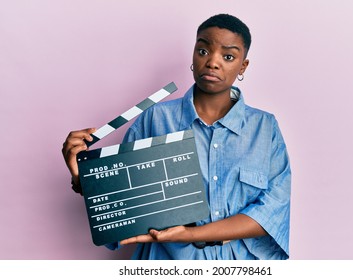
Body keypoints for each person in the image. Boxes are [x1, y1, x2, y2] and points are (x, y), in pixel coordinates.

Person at [62, 14, 291, 260]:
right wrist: (82, 177)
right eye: (203, 51)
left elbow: (271, 212)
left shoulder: (265, 127)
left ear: (242, 66)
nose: (213, 62)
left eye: (228, 56)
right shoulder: (155, 119)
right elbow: (124, 203)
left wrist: (191, 234)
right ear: (193, 55)